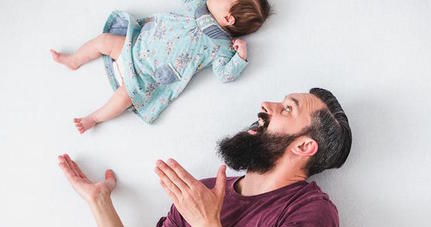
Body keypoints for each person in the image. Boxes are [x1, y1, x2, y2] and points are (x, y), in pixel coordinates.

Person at [58, 88, 352, 227]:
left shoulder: (311, 212)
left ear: (303, 146)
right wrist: (100, 202)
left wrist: (207, 224)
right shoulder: (201, 195)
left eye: (287, 109)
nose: (266, 105)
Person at [50, 0, 271, 133]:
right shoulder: (197, 5)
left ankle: (94, 118)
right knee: (104, 40)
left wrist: (240, 57)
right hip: (134, 46)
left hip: (147, 76)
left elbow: (224, 74)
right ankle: (74, 60)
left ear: (229, 18)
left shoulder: (221, 45)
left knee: (126, 97)